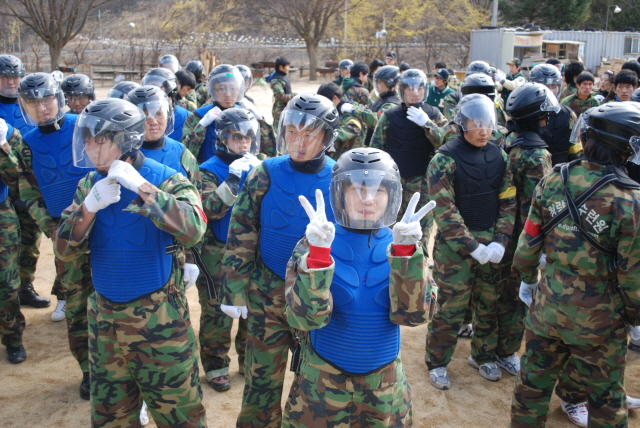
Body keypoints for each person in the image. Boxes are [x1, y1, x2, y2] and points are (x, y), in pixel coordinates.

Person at [55, 97, 207, 427]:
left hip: (160, 323)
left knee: (180, 416)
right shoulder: (88, 184)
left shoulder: (167, 179)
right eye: (88, 142)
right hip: (105, 321)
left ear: (127, 140)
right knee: (111, 417)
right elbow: (64, 249)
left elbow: (194, 229)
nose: (93, 150)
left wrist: (142, 188)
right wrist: (88, 208)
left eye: (102, 141)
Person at [510, 101, 640, 428]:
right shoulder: (630, 199)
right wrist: (635, 317)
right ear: (625, 147)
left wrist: (528, 280)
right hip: (599, 321)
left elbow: (527, 245)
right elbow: (633, 274)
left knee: (530, 391)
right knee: (606, 404)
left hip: (547, 309)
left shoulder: (555, 178)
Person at [282, 148, 434, 427]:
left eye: (378, 191)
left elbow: (414, 316)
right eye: (357, 189)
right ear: (340, 194)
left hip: (384, 387)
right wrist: (318, 255)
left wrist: (406, 255)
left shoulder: (404, 244)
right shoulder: (315, 242)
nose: (368, 199)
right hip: (320, 384)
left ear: (391, 195)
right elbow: (303, 319)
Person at [220, 94, 339, 428]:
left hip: (315, 296)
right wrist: (234, 289)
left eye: (309, 134)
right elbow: (242, 230)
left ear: (326, 137)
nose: (298, 142)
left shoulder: (340, 178)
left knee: (313, 385)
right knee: (260, 381)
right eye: (291, 132)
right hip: (266, 293)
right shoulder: (265, 173)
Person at [425, 93, 516, 390]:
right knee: (452, 307)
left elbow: (508, 201)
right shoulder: (444, 160)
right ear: (462, 124)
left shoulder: (499, 157)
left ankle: (483, 355)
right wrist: (472, 247)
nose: (483, 131)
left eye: (488, 124)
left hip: (491, 244)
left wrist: (500, 240)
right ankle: (437, 361)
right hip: (455, 250)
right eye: (476, 124)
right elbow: (445, 210)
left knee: (488, 303)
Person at [11, 72, 92, 397]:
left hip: (103, 226)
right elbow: (29, 193)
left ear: (58, 99)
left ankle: (122, 367)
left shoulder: (85, 125)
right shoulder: (26, 144)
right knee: (77, 306)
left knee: (116, 298)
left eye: (46, 99)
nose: (41, 108)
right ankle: (89, 370)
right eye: (33, 103)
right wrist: (51, 227)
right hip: (65, 234)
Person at [197, 108, 261, 393]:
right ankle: (216, 366)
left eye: (248, 136)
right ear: (223, 138)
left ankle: (248, 361)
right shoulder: (207, 170)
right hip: (217, 252)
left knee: (251, 307)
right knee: (216, 311)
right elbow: (209, 210)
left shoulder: (260, 165)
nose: (243, 142)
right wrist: (232, 181)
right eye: (237, 137)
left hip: (251, 249)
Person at [496, 83, 555, 376]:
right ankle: (506, 352)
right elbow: (538, 207)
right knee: (517, 297)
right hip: (522, 238)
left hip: (501, 231)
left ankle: (489, 344)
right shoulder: (536, 155)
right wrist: (540, 247)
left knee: (497, 291)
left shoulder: (506, 141)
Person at [370, 68, 447, 250]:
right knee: (390, 228)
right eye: (410, 88)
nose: (415, 93)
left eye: (419, 88)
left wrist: (427, 124)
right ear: (402, 90)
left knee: (420, 230)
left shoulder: (433, 113)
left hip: (423, 183)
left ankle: (418, 264)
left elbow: (445, 142)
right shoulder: (390, 115)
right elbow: (376, 149)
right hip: (394, 182)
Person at [0, 54, 47, 310]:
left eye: (15, 76)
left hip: (28, 182)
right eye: (4, 76)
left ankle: (25, 286)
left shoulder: (31, 104)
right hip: (3, 185)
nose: (10, 81)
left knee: (30, 238)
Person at [0, 118, 29, 363]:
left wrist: (3, 148)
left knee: (6, 284)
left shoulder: (7, 131)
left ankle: (13, 339)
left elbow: (17, 180)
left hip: (2, 216)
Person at [181, 64, 245, 163]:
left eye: (233, 88)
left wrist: (260, 120)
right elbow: (185, 154)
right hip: (206, 171)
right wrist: (201, 126)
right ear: (213, 91)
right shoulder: (198, 116)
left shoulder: (245, 115)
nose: (228, 94)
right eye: (221, 89)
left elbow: (265, 150)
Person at [528, 63, 582, 165]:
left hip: (559, 172)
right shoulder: (523, 114)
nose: (551, 92)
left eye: (554, 86)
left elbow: (576, 154)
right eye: (545, 87)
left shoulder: (568, 115)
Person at [317, 82, 364, 160]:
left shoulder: (349, 111)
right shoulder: (332, 111)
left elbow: (353, 129)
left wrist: (325, 134)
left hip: (351, 158)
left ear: (335, 98)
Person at [142, 68, 190, 141]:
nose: (151, 90)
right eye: (148, 86)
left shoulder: (186, 117)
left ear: (170, 90)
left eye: (156, 86)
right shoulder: (141, 115)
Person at [270, 56, 296, 126]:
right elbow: (280, 96)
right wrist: (295, 96)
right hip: (280, 113)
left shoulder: (284, 78)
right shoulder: (276, 80)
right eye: (287, 66)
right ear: (281, 67)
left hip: (287, 111)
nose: (289, 68)